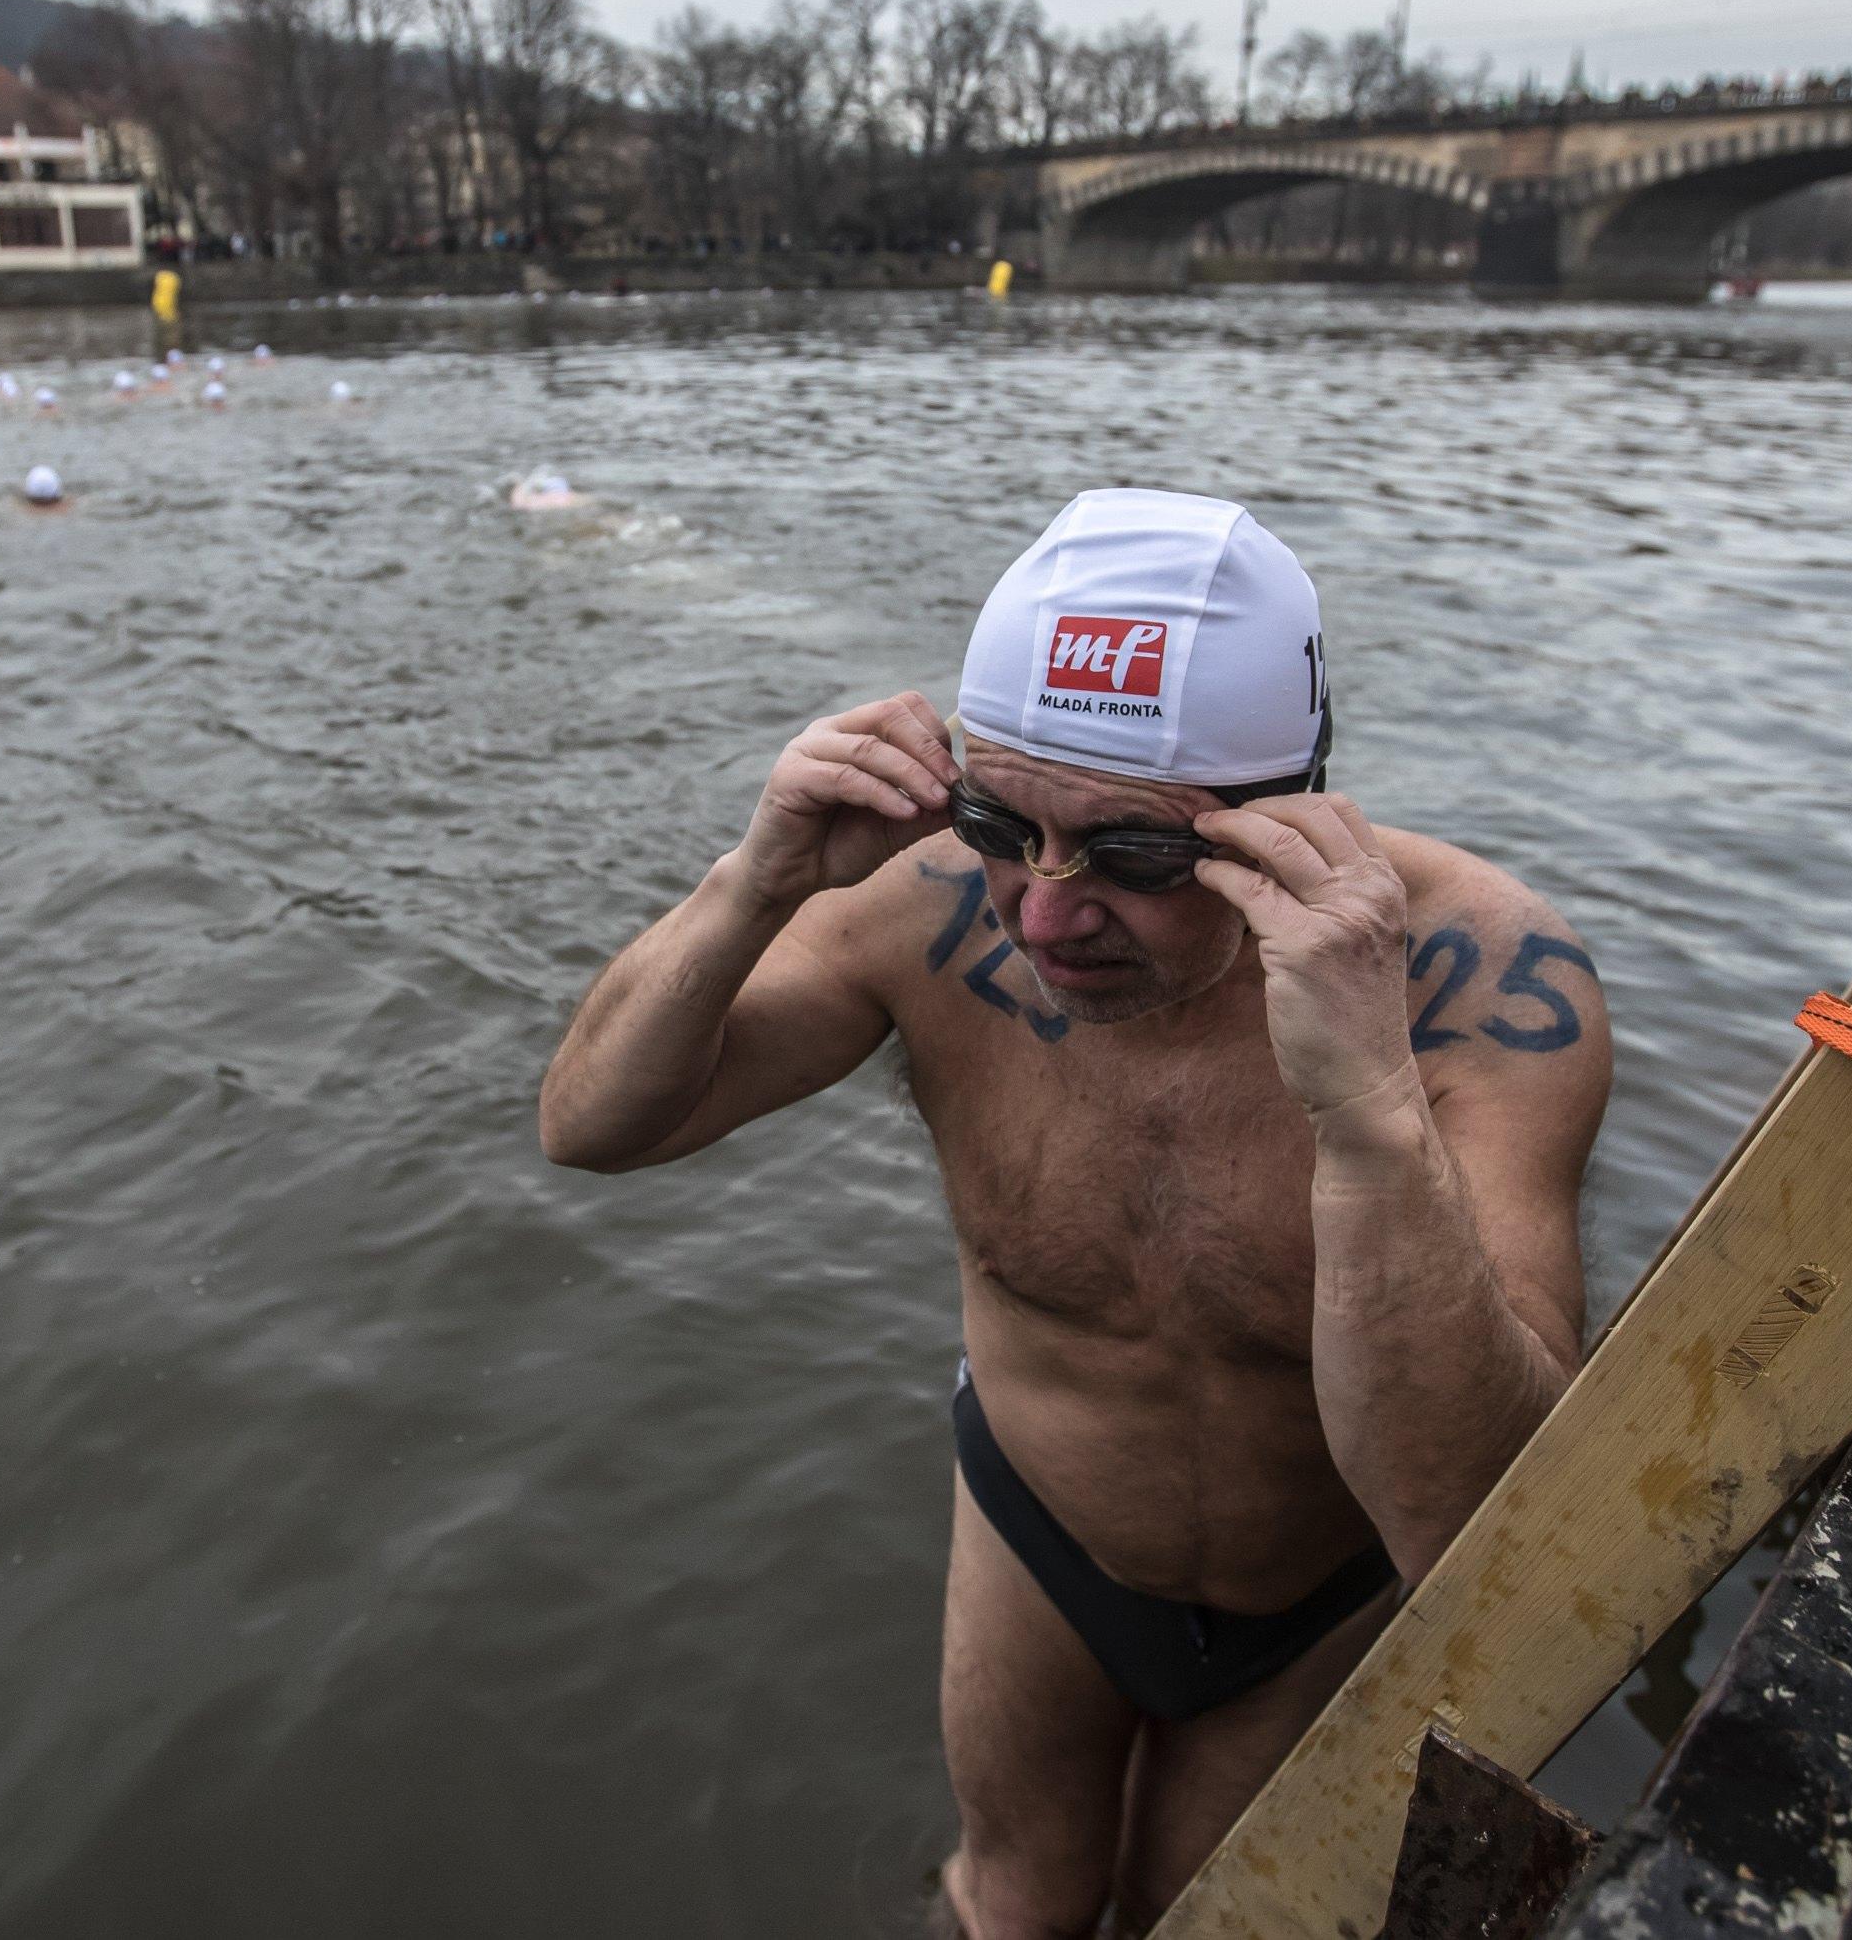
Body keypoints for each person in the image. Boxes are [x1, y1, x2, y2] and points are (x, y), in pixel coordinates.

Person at [540, 490, 1609, 1938]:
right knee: (1012, 1904)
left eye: (1136, 855)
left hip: (1328, 1587)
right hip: (1037, 1535)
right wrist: (756, 879)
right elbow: (593, 1124)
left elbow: (1469, 1526)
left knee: (1205, 1914)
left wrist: (1365, 1106)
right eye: (1001, 821)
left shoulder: (1485, 980)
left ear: (1282, 806)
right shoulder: (921, 907)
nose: (1043, 915)